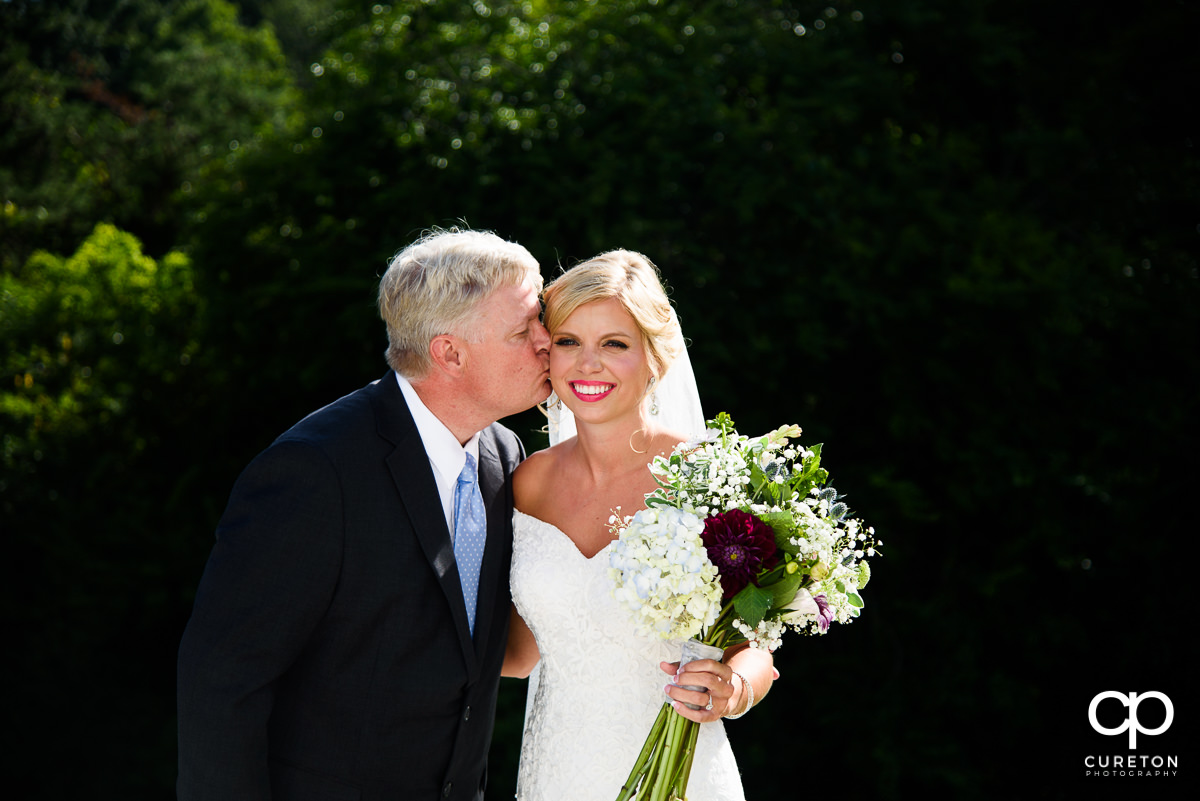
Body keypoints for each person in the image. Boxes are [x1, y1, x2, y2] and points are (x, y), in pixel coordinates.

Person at [177, 227, 552, 801]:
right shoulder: (314, 470)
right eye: (524, 330)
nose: (548, 342)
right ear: (450, 353)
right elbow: (223, 682)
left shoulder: (505, 458)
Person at [502, 250, 776, 800]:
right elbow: (516, 652)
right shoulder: (525, 483)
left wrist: (735, 689)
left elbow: (759, 643)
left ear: (654, 357)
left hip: (682, 772)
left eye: (615, 344)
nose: (587, 364)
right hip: (555, 770)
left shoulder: (708, 477)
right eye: (569, 341)